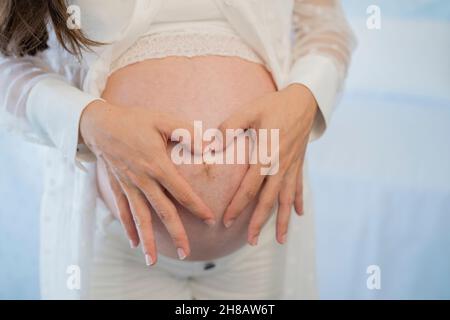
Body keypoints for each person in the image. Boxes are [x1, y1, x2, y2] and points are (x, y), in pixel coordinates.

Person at [0, 0, 356, 299]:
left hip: (260, 239)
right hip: (113, 242)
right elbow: (6, 61)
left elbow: (326, 29)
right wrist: (87, 120)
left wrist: (305, 96)